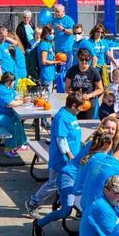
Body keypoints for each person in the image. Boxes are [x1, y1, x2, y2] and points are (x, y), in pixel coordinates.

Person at [28, 91, 84, 228]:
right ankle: (33, 203)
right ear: (74, 105)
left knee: (74, 182)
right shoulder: (61, 118)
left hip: (72, 160)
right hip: (62, 159)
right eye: (80, 107)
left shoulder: (71, 115)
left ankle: (75, 206)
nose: (81, 110)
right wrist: (69, 154)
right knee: (53, 183)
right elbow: (61, 139)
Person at [0, 72, 28, 156]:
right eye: (13, 81)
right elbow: (9, 104)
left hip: (0, 113)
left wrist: (25, 99)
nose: (15, 83)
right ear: (9, 81)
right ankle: (9, 149)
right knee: (12, 123)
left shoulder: (8, 88)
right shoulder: (0, 90)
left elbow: (15, 97)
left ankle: (20, 143)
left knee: (16, 119)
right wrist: (23, 101)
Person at [65, 48, 104, 120]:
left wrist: (90, 95)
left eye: (87, 60)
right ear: (78, 58)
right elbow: (67, 88)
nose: (84, 62)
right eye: (81, 59)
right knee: (72, 123)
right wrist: (73, 93)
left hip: (87, 103)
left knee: (85, 125)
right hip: (74, 103)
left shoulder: (93, 71)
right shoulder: (72, 70)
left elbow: (101, 89)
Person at [51, 3, 76, 78]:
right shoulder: (54, 20)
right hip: (58, 49)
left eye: (58, 11)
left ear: (63, 11)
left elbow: (72, 32)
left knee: (68, 68)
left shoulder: (68, 20)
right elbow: (52, 32)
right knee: (59, 68)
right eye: (55, 11)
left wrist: (63, 29)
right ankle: (60, 83)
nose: (56, 13)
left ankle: (68, 83)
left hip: (68, 49)